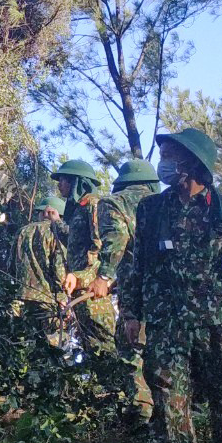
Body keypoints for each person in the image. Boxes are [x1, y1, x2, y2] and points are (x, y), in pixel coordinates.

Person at [120, 128, 222, 443]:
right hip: (166, 324)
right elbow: (136, 264)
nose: (163, 163)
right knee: (168, 402)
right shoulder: (151, 209)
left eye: (170, 156)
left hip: (216, 322)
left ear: (192, 161)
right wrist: (131, 313)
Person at [87, 159, 160, 421]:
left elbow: (116, 240)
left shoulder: (113, 202)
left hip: (135, 295)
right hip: (167, 294)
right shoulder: (164, 203)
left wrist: (104, 276)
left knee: (130, 350)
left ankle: (142, 415)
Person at [53, 160, 116, 365]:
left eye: (63, 180)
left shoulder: (93, 204)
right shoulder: (78, 209)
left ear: (76, 182)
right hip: (79, 289)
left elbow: (100, 246)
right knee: (91, 348)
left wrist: (83, 276)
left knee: (105, 346)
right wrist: (56, 223)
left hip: (93, 290)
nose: (59, 184)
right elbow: (75, 244)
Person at [10, 196, 69, 347]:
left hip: (22, 298)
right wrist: (62, 297)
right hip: (49, 300)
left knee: (27, 347)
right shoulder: (56, 232)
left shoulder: (22, 232)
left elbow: (11, 266)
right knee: (54, 348)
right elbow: (59, 267)